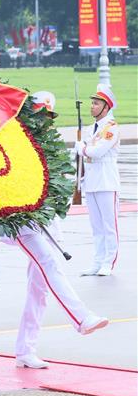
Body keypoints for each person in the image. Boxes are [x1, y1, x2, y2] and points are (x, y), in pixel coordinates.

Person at [5, 95, 109, 368]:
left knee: (38, 290)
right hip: (21, 224)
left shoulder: (48, 149)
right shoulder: (15, 146)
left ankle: (25, 350)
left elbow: (58, 193)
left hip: (47, 225)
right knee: (50, 265)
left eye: (48, 118)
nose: (45, 123)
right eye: (40, 117)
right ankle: (81, 317)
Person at [75, 84, 121, 276]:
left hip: (106, 180)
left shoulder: (111, 128)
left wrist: (82, 148)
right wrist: (80, 150)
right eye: (92, 103)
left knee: (109, 225)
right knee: (96, 226)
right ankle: (97, 261)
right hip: (92, 181)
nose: (91, 106)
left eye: (96, 104)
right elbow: (83, 153)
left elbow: (97, 151)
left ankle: (108, 263)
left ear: (106, 107)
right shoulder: (90, 129)